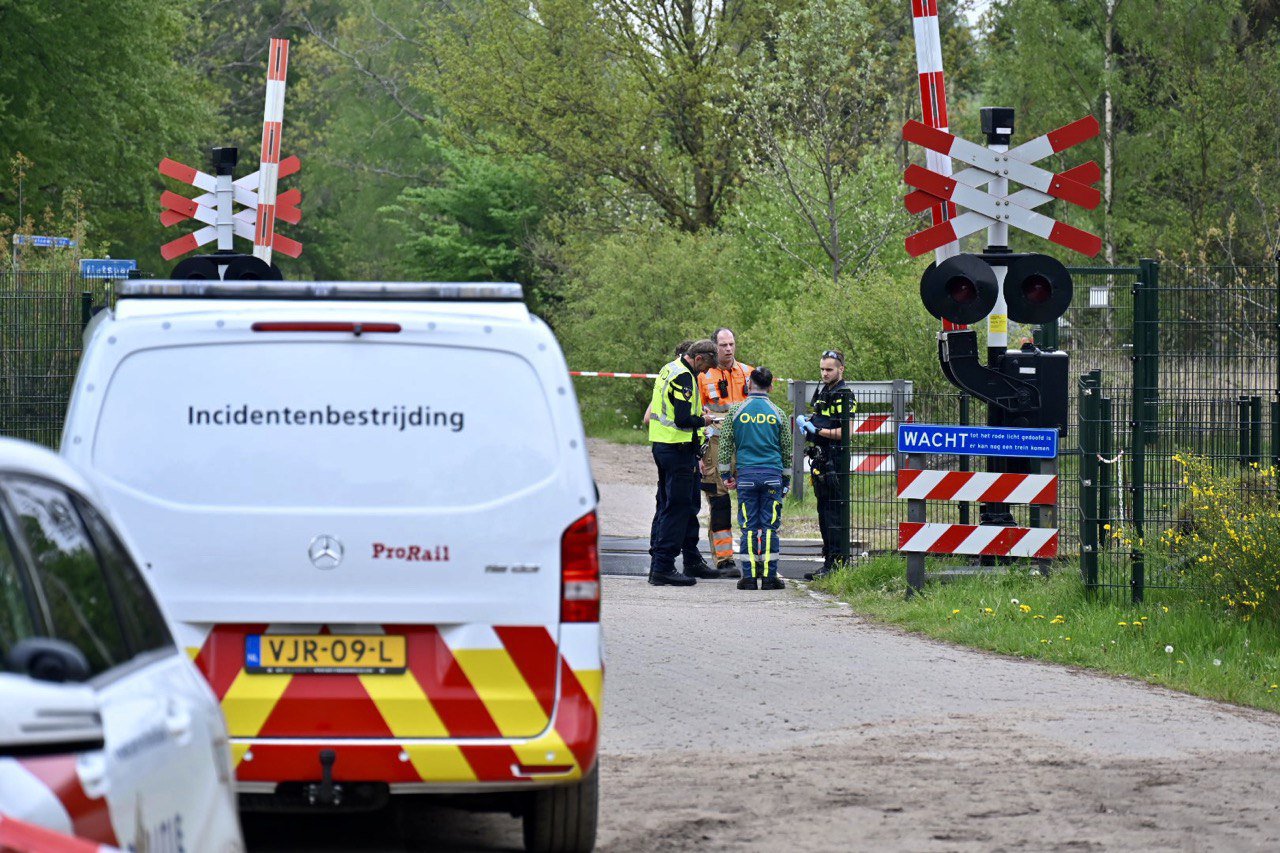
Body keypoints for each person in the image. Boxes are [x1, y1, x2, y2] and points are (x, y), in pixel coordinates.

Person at [647, 339, 721, 586]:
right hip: (676, 449)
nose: (704, 373)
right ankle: (663, 566)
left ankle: (668, 561)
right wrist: (706, 421)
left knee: (673, 504)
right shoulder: (684, 377)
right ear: (698, 358)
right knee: (677, 508)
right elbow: (681, 418)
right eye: (705, 368)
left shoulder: (669, 368)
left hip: (664, 445)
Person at [718, 367, 791, 590]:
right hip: (772, 476)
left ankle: (748, 577)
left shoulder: (736, 412)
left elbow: (725, 445)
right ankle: (769, 577)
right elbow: (787, 449)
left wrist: (725, 475)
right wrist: (786, 480)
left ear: (749, 384)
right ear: (771, 386)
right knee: (770, 526)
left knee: (749, 526)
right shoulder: (777, 413)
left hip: (747, 476)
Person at [697, 328, 754, 576]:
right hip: (715, 444)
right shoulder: (702, 376)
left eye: (731, 344)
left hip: (745, 444)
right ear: (714, 347)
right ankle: (724, 559)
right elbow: (696, 414)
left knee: (750, 500)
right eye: (723, 345)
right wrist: (699, 451)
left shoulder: (749, 373)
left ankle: (754, 556)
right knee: (719, 502)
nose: (728, 349)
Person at [794, 349, 855, 581]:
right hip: (821, 457)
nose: (824, 373)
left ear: (841, 369)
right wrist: (808, 422)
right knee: (823, 511)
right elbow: (821, 416)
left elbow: (846, 432)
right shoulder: (825, 391)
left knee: (834, 512)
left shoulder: (844, 394)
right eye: (822, 369)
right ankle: (829, 560)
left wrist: (819, 431)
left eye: (829, 369)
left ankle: (837, 563)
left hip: (835, 459)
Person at [642, 340, 694, 426]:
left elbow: (647, 419)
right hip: (675, 436)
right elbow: (647, 418)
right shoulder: (683, 379)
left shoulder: (666, 376)